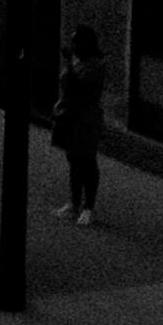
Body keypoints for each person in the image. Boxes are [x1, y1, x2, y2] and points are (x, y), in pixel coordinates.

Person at [53, 26, 106, 231]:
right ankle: (74, 204)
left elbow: (78, 86)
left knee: (87, 160)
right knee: (73, 158)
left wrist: (68, 62)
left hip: (86, 118)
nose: (73, 45)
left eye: (76, 41)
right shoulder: (76, 60)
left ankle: (88, 207)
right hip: (70, 114)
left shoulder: (95, 65)